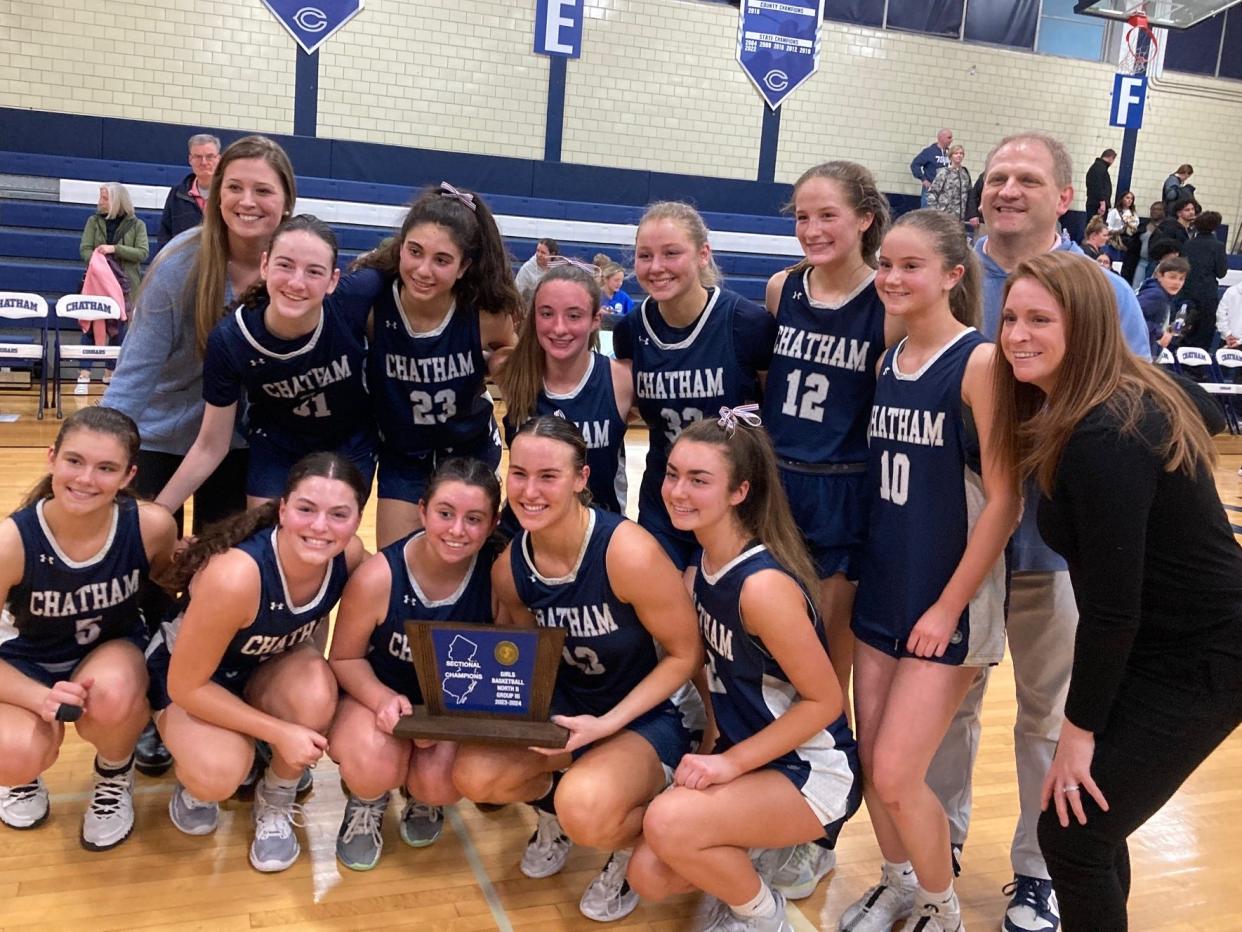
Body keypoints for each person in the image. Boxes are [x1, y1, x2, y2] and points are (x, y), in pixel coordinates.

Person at [924, 131, 1151, 932]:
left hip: (1058, 554)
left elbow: (1130, 418)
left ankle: (1037, 869)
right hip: (956, 547)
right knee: (949, 707)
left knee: (1046, 716)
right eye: (997, 177)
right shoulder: (948, 277)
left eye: (1028, 178)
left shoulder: (1107, 295)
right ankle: (937, 847)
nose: (1007, 188)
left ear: (1065, 196)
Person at [993, 250, 1241, 931]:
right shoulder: (1121, 395)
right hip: (1163, 650)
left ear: (1091, 328)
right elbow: (1203, 410)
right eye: (1011, 317)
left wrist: (1078, 734)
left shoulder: (1106, 432)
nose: (1017, 334)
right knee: (1091, 830)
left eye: (1041, 319)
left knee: (1073, 836)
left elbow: (1110, 612)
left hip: (1205, 660)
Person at [452, 416, 704, 923]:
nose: (529, 490)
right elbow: (528, 660)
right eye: (518, 474)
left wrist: (608, 726)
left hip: (648, 712)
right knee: (474, 774)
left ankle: (629, 840)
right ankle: (554, 813)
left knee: (587, 808)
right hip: (574, 710)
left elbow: (685, 654)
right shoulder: (510, 568)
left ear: (581, 479)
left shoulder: (626, 552)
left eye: (548, 476)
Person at [841, 210, 1016, 932]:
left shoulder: (979, 363)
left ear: (951, 274)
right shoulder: (888, 361)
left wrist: (948, 606)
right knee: (872, 765)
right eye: (885, 264)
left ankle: (942, 910)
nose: (890, 277)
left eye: (910, 265)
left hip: (949, 600)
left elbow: (1005, 502)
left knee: (896, 771)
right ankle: (896, 882)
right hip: (885, 587)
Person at [627, 411, 861, 931]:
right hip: (757, 758)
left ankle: (764, 917)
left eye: (699, 479)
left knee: (668, 824)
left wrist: (728, 765)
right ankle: (746, 864)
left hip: (811, 770)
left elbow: (825, 702)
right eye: (672, 474)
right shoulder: (708, 564)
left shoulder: (761, 586)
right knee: (649, 874)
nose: (677, 491)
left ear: (740, 492)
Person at [149, 452, 367, 873]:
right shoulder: (237, 576)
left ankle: (276, 797)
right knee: (218, 773)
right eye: (306, 509)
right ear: (283, 509)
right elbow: (187, 687)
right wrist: (281, 732)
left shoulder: (349, 557)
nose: (320, 527)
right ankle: (194, 771)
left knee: (317, 686)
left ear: (358, 518)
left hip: (260, 669)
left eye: (339, 514)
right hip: (189, 678)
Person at [0, 408, 176, 849]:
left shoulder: (151, 526)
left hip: (109, 652)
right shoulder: (11, 543)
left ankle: (114, 775)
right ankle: (23, 779)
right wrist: (39, 697)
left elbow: (166, 596)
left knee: (115, 692)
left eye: (106, 468)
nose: (86, 479)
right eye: (74, 461)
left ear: (128, 475)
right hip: (27, 663)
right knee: (13, 753)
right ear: (52, 457)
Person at [104, 134, 296, 538]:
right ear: (216, 195)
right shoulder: (179, 263)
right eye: (235, 188)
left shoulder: (292, 273)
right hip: (158, 436)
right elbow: (133, 374)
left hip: (238, 445)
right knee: (147, 566)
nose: (247, 201)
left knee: (218, 569)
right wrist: (102, 451)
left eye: (262, 190)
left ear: (287, 203)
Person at [760, 161, 898, 719]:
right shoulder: (781, 289)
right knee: (761, 647)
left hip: (842, 490)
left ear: (865, 219)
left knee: (822, 667)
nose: (812, 229)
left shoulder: (888, 304)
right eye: (802, 217)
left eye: (827, 216)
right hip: (773, 486)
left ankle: (825, 788)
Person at [327, 457, 499, 870]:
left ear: (493, 525)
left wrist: (446, 720)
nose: (457, 530)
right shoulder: (379, 576)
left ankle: (422, 798)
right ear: (422, 511)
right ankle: (366, 800)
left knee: (440, 782)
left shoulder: (497, 579)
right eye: (445, 513)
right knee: (373, 766)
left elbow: (504, 668)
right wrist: (383, 699)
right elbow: (344, 658)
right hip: (381, 694)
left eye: (474, 519)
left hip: (449, 707)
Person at [151, 215, 381, 514]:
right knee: (269, 539)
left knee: (328, 536)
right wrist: (156, 512)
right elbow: (211, 445)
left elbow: (408, 261)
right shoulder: (231, 340)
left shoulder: (354, 296)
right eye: (285, 265)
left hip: (349, 442)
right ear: (264, 265)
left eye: (314, 272)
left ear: (333, 281)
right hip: (277, 445)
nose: (297, 282)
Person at [612, 202, 775, 571]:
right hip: (664, 500)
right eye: (645, 255)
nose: (656, 267)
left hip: (732, 505)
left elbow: (770, 415)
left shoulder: (747, 324)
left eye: (671, 253)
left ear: (703, 254)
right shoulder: (630, 331)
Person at [356, 183, 521, 549]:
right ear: (400, 248)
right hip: (403, 455)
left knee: (470, 573)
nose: (423, 270)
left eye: (442, 260)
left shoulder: (485, 315)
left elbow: (511, 355)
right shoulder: (372, 308)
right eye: (414, 252)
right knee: (396, 571)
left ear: (464, 267)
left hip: (469, 451)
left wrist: (500, 364)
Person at [497, 260, 632, 534]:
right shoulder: (508, 370)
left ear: (596, 319)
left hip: (596, 537)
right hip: (521, 534)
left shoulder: (622, 379)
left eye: (574, 315)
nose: (559, 328)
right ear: (533, 316)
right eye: (546, 314)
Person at [77, 182, 148, 389]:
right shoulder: (93, 221)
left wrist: (113, 249)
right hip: (97, 283)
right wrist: (101, 263)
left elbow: (142, 253)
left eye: (104, 198)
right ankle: (84, 374)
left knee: (119, 331)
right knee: (89, 326)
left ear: (117, 201)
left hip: (125, 286)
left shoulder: (137, 225)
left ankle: (111, 373)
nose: (100, 202)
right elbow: (84, 250)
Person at [159, 134, 220, 249]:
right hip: (184, 265)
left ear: (219, 159)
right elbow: (165, 235)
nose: (204, 162)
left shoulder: (230, 195)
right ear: (190, 160)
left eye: (210, 156)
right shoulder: (177, 195)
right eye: (198, 156)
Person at [1180, 211, 1228, 350]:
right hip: (1207, 293)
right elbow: (1221, 272)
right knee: (1204, 330)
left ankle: (1181, 360)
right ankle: (1197, 366)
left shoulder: (1188, 244)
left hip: (1187, 290)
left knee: (1185, 327)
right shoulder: (1218, 246)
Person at [1136, 256, 1190, 359]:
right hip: (1138, 352)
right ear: (1160, 276)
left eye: (1181, 279)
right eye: (1172, 277)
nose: (1177, 283)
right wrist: (1160, 333)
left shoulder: (1161, 294)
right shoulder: (1156, 295)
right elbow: (1133, 318)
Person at [1121, 201, 1163, 287]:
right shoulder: (1143, 225)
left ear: (1164, 211)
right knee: (1136, 286)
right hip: (1141, 261)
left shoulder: (1166, 227)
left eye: (1158, 209)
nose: (1154, 211)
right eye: (1152, 209)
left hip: (1155, 263)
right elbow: (1134, 242)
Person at [927, 145, 972, 223]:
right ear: (951, 156)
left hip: (960, 217)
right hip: (944, 215)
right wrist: (935, 212)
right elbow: (932, 193)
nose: (959, 155)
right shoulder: (944, 172)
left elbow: (969, 192)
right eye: (956, 153)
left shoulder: (965, 173)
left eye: (961, 153)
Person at [1149, 196, 1199, 265]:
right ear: (1179, 213)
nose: (1191, 212)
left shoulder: (1193, 230)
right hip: (1166, 266)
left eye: (1192, 209)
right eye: (1187, 210)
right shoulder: (1170, 227)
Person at [910, 129, 953, 208]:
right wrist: (923, 179)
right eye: (949, 138)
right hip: (931, 188)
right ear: (941, 138)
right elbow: (915, 165)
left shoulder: (950, 153)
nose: (951, 140)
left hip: (945, 190)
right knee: (927, 213)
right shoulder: (929, 152)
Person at [515, 238, 560, 304]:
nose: (539, 255)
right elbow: (517, 292)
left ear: (552, 254)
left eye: (543, 253)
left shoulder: (559, 266)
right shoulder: (527, 269)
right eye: (538, 251)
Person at [1084, 149, 1115, 216]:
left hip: (1095, 204)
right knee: (1097, 225)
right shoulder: (1100, 168)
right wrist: (1102, 203)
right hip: (1097, 205)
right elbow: (1097, 186)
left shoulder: (1097, 167)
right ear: (1111, 158)